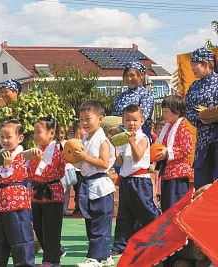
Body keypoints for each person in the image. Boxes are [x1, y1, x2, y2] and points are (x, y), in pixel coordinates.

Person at [111, 104, 160, 256]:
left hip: (140, 180)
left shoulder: (143, 137)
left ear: (142, 121)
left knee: (146, 210)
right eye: (128, 120)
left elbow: (138, 156)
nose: (131, 124)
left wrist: (131, 142)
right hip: (126, 180)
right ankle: (120, 246)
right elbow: (119, 162)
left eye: (135, 120)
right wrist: (115, 150)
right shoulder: (122, 138)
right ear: (123, 121)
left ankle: (160, 237)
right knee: (124, 214)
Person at [72, 100, 116, 267]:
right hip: (87, 185)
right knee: (91, 223)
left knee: (100, 224)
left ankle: (95, 258)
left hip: (100, 187)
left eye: (88, 119)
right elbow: (82, 165)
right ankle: (104, 256)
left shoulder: (102, 140)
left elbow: (104, 163)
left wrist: (84, 158)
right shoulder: (85, 139)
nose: (84, 123)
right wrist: (73, 159)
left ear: (100, 119)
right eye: (81, 119)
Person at [0, 120, 35, 267]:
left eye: (8, 137)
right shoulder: (2, 155)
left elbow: (9, 175)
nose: (4, 140)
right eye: (2, 137)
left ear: (20, 138)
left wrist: (6, 167)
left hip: (17, 205)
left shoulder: (21, 156)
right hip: (2, 205)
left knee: (21, 239)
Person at [28, 116, 66, 267]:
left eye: (39, 132)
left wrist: (38, 161)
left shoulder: (57, 151)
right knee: (38, 227)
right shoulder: (36, 152)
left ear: (51, 133)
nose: (36, 135)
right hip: (37, 193)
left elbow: (53, 173)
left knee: (51, 228)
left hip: (53, 193)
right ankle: (55, 252)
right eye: (34, 132)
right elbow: (31, 174)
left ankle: (51, 260)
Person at [185, 47, 218, 190]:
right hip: (203, 141)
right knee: (202, 183)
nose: (192, 69)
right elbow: (188, 109)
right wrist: (200, 118)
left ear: (205, 64)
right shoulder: (194, 86)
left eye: (194, 65)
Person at [155, 95, 192, 212]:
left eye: (166, 112)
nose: (163, 115)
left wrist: (167, 152)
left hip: (178, 175)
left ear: (177, 112)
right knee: (167, 206)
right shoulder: (167, 128)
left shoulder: (183, 128)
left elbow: (186, 148)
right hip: (167, 173)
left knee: (176, 206)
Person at [112, 62, 154, 137]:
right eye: (126, 76)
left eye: (132, 75)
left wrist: (122, 128)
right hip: (120, 135)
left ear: (141, 75)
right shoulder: (120, 96)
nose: (129, 79)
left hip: (139, 134)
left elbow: (143, 116)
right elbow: (114, 117)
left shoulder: (146, 94)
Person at [56, 125, 76, 216]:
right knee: (61, 189)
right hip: (58, 170)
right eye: (58, 133)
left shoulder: (68, 143)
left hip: (68, 169)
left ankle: (65, 208)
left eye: (62, 133)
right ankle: (59, 208)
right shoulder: (53, 144)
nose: (60, 135)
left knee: (67, 189)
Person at [72, 120, 86, 214]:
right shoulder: (74, 142)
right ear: (78, 131)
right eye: (82, 129)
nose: (85, 131)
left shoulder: (85, 141)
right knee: (77, 189)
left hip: (82, 170)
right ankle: (78, 207)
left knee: (80, 189)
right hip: (76, 170)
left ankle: (80, 207)